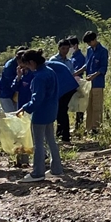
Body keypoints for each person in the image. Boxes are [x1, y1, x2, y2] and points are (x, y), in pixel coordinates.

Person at [16, 49, 66, 180]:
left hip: (40, 113)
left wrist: (25, 107)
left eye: (27, 64)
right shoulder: (50, 71)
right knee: (51, 140)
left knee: (38, 144)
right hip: (51, 111)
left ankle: (38, 172)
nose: (27, 67)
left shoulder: (39, 77)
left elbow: (37, 99)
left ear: (32, 62)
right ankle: (56, 169)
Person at [51, 38, 79, 144]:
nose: (65, 51)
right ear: (59, 48)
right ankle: (60, 134)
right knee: (59, 112)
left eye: (67, 49)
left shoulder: (69, 61)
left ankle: (65, 136)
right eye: (63, 48)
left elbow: (71, 75)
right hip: (57, 90)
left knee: (62, 111)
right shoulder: (53, 60)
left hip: (67, 90)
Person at [82, 30, 109, 134]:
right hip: (88, 83)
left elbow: (103, 68)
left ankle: (96, 128)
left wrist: (94, 75)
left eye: (90, 42)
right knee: (89, 106)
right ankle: (88, 128)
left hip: (98, 83)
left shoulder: (103, 51)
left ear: (94, 40)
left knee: (97, 106)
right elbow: (86, 65)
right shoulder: (89, 50)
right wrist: (76, 72)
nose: (89, 44)